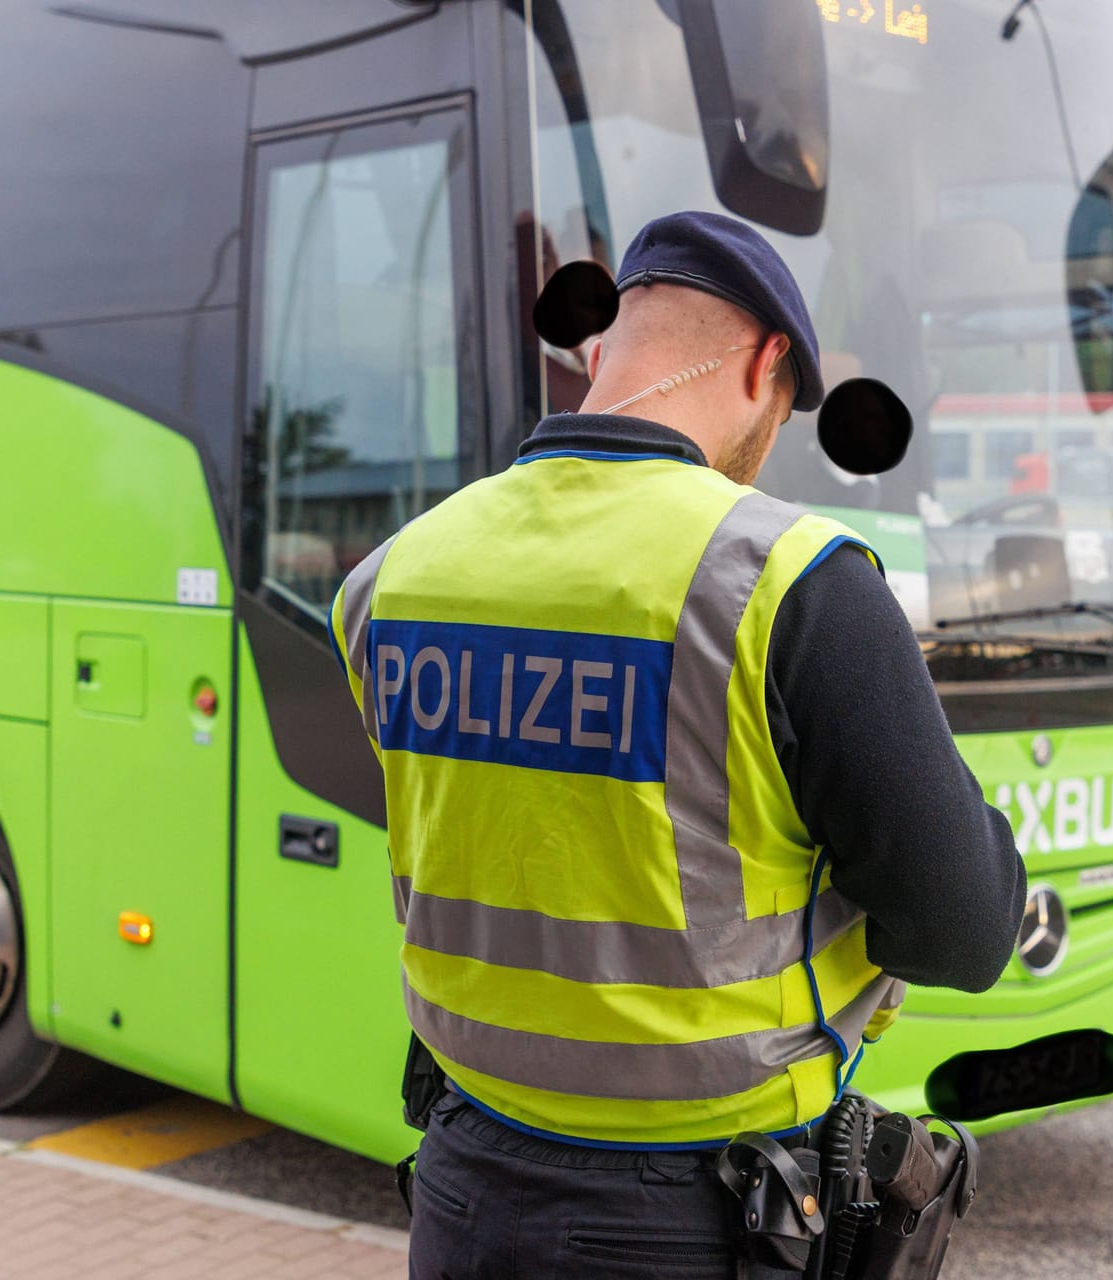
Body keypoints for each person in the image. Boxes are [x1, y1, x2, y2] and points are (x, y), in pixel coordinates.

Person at [330, 211, 1025, 1278]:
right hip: (700, 1217)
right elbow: (964, 930)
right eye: (784, 414)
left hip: (463, 1191)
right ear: (766, 363)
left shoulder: (393, 576)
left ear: (602, 348)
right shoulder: (789, 578)